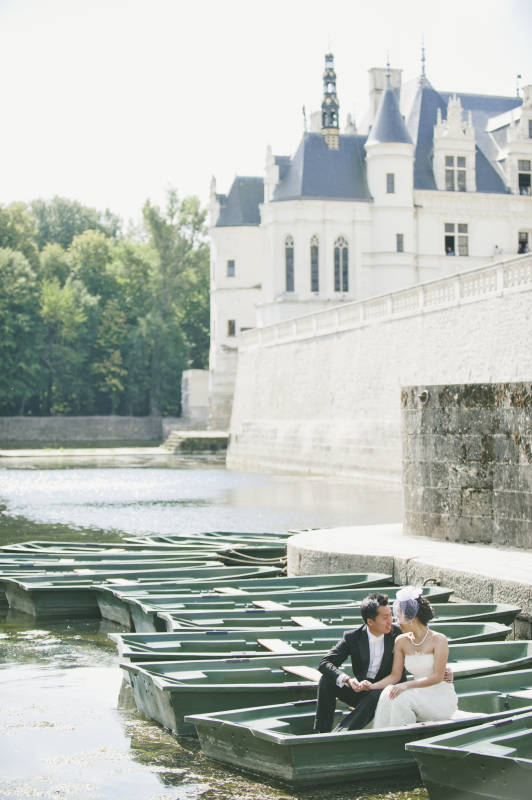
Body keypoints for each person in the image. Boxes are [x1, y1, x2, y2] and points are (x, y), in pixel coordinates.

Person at [365, 586, 458, 728]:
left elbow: (437, 677)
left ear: (412, 618)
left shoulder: (439, 640)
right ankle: (382, 735)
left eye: (400, 616)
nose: (397, 621)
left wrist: (406, 685)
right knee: (388, 693)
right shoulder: (401, 641)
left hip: (440, 699)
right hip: (418, 694)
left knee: (402, 697)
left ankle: (399, 737)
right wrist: (372, 686)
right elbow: (395, 676)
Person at [313, 593, 406, 732]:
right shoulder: (352, 637)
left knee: (376, 695)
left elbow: (422, 648)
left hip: (386, 692)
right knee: (326, 680)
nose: (390, 621)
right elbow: (325, 663)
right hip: (361, 690)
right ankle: (321, 731)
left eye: (390, 615)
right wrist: (349, 681)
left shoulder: (398, 634)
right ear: (370, 621)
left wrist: (444, 670)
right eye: (385, 617)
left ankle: (341, 733)